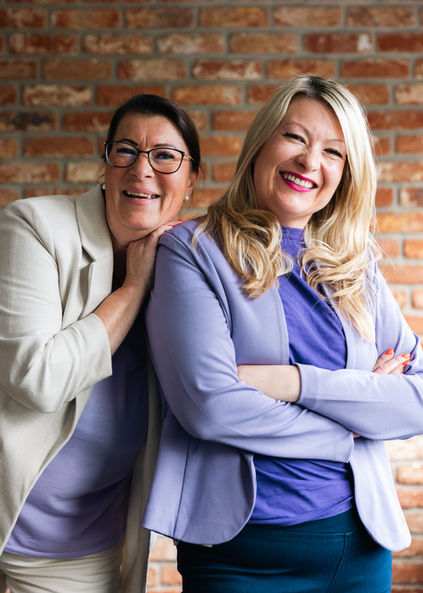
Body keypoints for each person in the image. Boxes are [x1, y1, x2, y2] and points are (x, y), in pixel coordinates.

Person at [142, 75, 423, 593]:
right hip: (236, 557)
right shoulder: (194, 249)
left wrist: (290, 383)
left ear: (346, 172)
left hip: (356, 548)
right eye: (295, 137)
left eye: (333, 151)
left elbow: (417, 400)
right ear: (262, 142)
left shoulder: (356, 265)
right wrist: (352, 424)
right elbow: (209, 407)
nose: (310, 161)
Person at [0, 93, 200, 593]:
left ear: (191, 180)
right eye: (126, 150)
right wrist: (132, 288)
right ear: (105, 163)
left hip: (78, 550)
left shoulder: (190, 266)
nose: (142, 169)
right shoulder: (33, 227)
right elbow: (39, 379)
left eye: (165, 156)